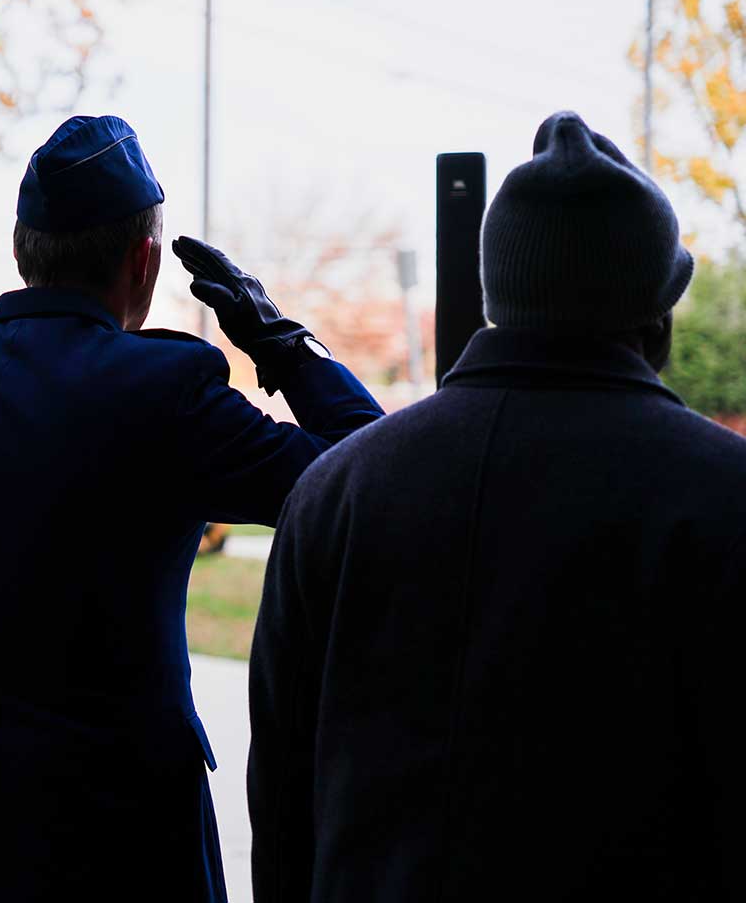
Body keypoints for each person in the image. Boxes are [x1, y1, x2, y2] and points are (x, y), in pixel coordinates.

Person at [0, 114, 385, 903]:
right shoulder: (168, 392)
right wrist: (278, 340)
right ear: (146, 258)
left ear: (20, 251)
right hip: (127, 843)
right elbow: (368, 475)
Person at [247, 111, 746, 902]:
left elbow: (280, 803)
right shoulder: (720, 495)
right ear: (654, 312)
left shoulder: (338, 492)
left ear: (495, 295)